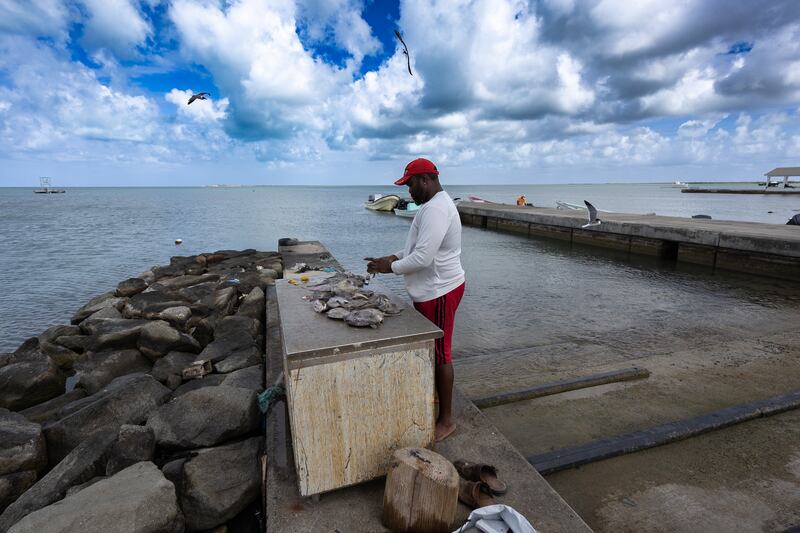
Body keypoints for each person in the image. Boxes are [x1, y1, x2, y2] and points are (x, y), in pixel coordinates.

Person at [365, 158, 465, 442]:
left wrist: (389, 268)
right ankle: (436, 400)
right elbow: (415, 248)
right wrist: (392, 257)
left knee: (442, 353)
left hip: (440, 290)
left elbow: (423, 258)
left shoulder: (436, 209)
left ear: (425, 179)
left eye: (410, 184)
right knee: (434, 350)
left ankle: (446, 420)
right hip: (431, 291)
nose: (408, 190)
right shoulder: (432, 207)